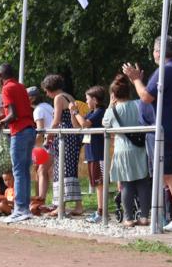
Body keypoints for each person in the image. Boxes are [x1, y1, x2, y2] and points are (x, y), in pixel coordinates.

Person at [122, 35, 172, 232]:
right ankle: (171, 214)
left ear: (158, 51)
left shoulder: (166, 70)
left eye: (154, 50)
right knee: (164, 174)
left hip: (163, 130)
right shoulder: (171, 69)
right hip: (162, 129)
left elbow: (145, 96)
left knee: (168, 174)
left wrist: (136, 80)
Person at [103, 74, 152, 227]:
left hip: (122, 149)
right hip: (140, 148)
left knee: (126, 184)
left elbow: (105, 124)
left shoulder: (113, 110)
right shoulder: (138, 104)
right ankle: (144, 216)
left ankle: (128, 218)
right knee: (143, 183)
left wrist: (111, 105)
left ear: (114, 94)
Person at [0, 64, 35, 223]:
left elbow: (14, 115)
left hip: (19, 132)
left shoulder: (7, 88)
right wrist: (4, 118)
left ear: (1, 77)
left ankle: (20, 209)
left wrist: (1, 123)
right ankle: (25, 208)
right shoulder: (20, 86)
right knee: (24, 171)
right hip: (30, 130)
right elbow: (20, 111)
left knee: (18, 171)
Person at [41, 74, 84, 217]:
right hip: (72, 137)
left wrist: (48, 136)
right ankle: (78, 206)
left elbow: (56, 120)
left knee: (61, 169)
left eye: (47, 90)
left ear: (51, 88)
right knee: (70, 169)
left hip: (64, 136)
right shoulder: (69, 96)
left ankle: (61, 207)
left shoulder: (58, 98)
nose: (46, 93)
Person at [74, 85, 107, 223]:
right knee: (96, 183)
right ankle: (99, 211)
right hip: (91, 152)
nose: (86, 102)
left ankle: (101, 212)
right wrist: (72, 114)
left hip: (98, 153)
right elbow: (78, 126)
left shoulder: (99, 112)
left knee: (100, 184)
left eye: (87, 99)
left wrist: (76, 112)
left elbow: (85, 124)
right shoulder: (91, 112)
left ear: (95, 99)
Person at [28, 87, 53, 214]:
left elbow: (40, 131)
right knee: (42, 170)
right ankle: (41, 198)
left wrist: (30, 145)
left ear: (32, 98)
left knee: (42, 170)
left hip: (50, 142)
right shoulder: (46, 106)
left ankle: (41, 200)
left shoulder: (38, 110)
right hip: (51, 141)